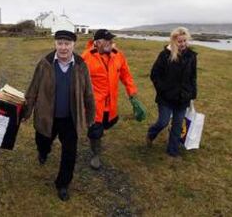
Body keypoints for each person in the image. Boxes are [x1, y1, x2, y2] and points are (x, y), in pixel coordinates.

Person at [22, 30, 95, 201]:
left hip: (70, 118)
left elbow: (88, 92)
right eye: (60, 43)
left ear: (73, 45)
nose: (63, 48)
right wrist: (26, 112)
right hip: (47, 116)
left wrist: (90, 115)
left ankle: (63, 183)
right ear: (55, 44)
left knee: (70, 152)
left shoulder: (80, 64)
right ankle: (43, 151)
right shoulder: (45, 63)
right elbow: (32, 90)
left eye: (67, 44)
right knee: (43, 141)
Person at [81, 29, 146, 170]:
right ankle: (95, 154)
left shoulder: (118, 55)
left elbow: (126, 76)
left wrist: (133, 95)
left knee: (107, 125)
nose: (111, 42)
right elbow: (78, 81)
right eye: (107, 40)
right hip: (94, 104)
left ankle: (97, 138)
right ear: (97, 42)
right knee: (95, 130)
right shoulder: (86, 57)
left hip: (111, 105)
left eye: (111, 39)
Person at [146, 27, 197, 157]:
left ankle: (172, 151)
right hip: (166, 97)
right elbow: (154, 74)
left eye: (185, 40)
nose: (183, 44)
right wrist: (163, 89)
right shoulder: (165, 55)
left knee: (178, 125)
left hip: (183, 97)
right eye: (180, 41)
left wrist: (192, 93)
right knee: (163, 122)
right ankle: (151, 133)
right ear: (174, 41)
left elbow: (193, 76)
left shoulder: (191, 56)